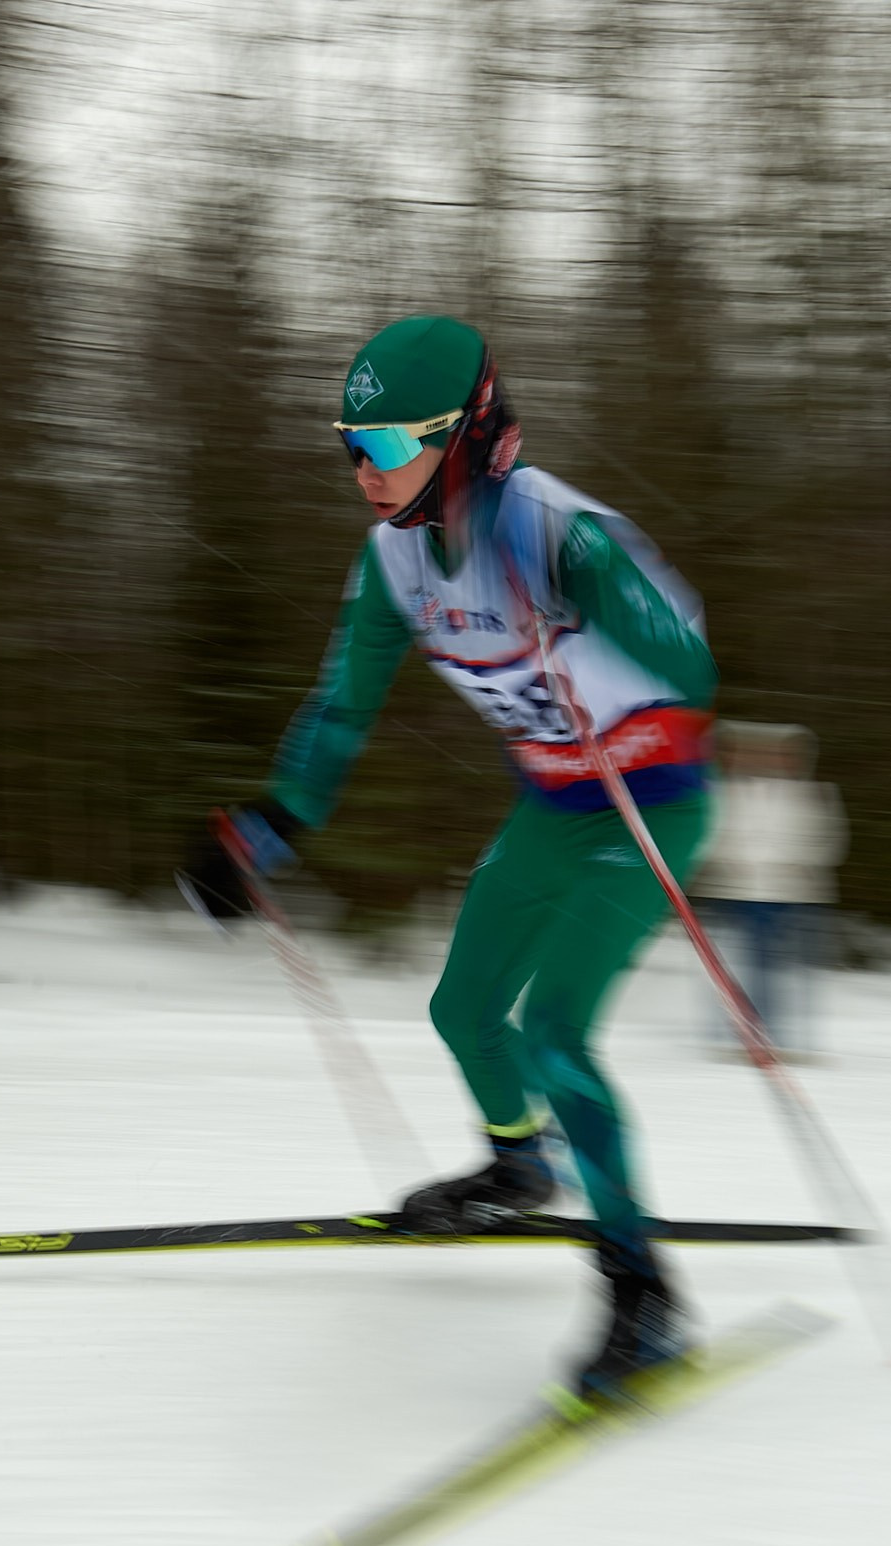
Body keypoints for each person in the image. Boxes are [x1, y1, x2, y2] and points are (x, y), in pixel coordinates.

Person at [178, 315, 717, 1397]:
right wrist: (270, 830)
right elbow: (341, 706)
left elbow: (689, 666)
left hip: (646, 800)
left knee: (553, 1031)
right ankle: (520, 1163)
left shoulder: (560, 534)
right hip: (554, 806)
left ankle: (643, 1291)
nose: (364, 473)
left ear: (466, 435)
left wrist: (592, 613)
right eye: (350, 447)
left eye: (384, 447)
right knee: (461, 1011)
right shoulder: (392, 563)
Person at [691, 723, 845, 1056]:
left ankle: (779, 1034)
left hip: (798, 894)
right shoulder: (727, 790)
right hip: (742, 892)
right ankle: (743, 1032)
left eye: (789, 756)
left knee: (793, 967)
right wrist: (729, 864)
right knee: (745, 963)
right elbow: (715, 837)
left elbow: (829, 840)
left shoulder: (811, 794)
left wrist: (801, 863)